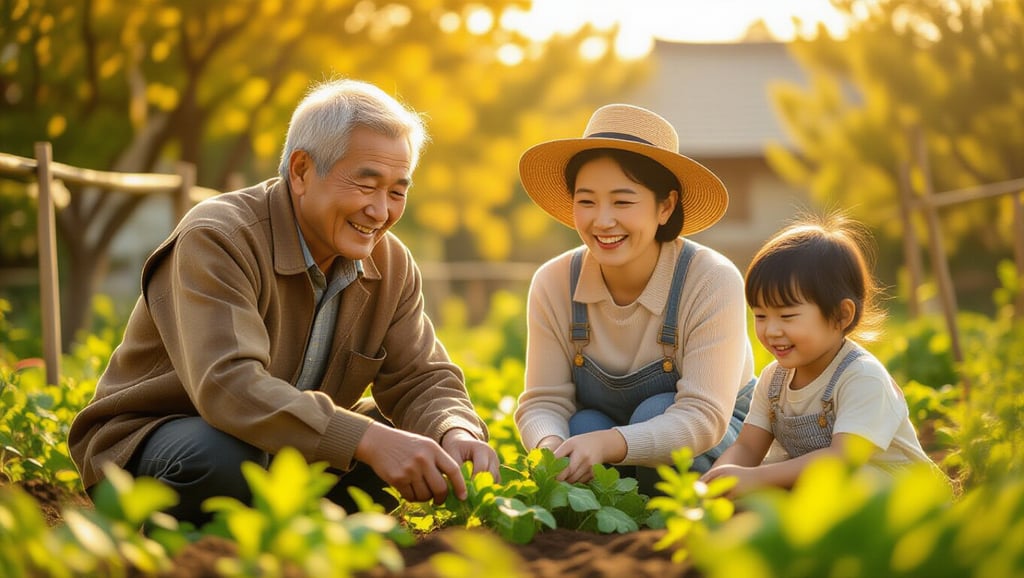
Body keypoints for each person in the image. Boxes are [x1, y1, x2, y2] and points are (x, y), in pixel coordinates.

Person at [68, 78, 499, 525]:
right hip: (160, 439)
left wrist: (454, 429)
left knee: (397, 446)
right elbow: (228, 386)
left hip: (284, 447)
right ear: (300, 171)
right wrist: (364, 439)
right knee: (221, 459)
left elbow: (421, 376)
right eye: (366, 184)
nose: (380, 211)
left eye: (397, 191)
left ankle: (299, 540)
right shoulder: (218, 237)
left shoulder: (391, 263)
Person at [514, 104, 756, 493]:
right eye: (587, 201)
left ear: (666, 206)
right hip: (602, 439)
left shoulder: (710, 279)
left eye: (623, 202)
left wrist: (609, 443)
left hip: (713, 443)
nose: (602, 221)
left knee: (654, 411)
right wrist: (551, 449)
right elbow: (543, 402)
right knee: (580, 426)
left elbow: (703, 418)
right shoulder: (554, 282)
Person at [700, 214, 939, 496]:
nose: (771, 330)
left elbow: (842, 459)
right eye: (761, 315)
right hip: (824, 494)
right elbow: (747, 447)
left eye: (787, 316)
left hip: (897, 498)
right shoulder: (773, 380)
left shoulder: (862, 377)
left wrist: (755, 478)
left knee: (850, 479)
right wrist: (718, 481)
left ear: (841, 314)